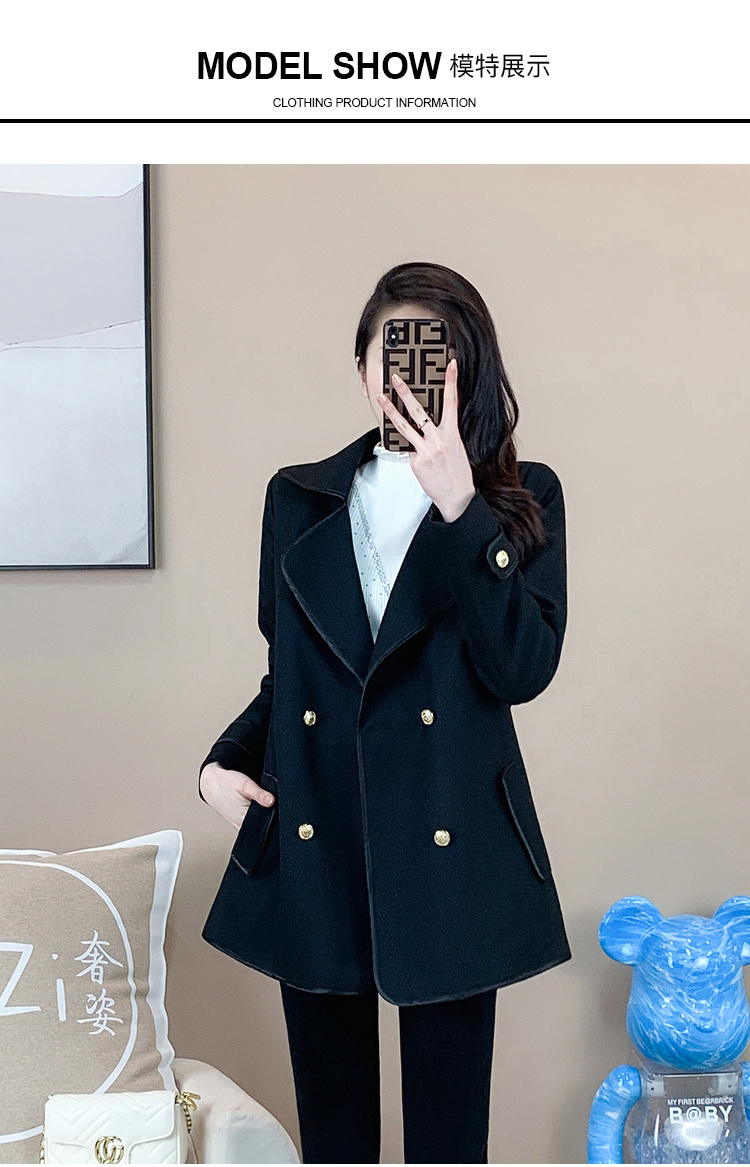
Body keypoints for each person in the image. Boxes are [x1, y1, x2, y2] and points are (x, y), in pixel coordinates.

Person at [198, 261, 572, 1164]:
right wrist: (220, 762)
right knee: (335, 1143)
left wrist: (461, 504)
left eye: (436, 352)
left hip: (450, 837)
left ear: (467, 369)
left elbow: (522, 667)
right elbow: (293, 676)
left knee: (448, 1143)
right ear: (364, 368)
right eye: (392, 351)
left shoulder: (523, 498)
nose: (409, 373)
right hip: (322, 834)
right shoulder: (299, 499)